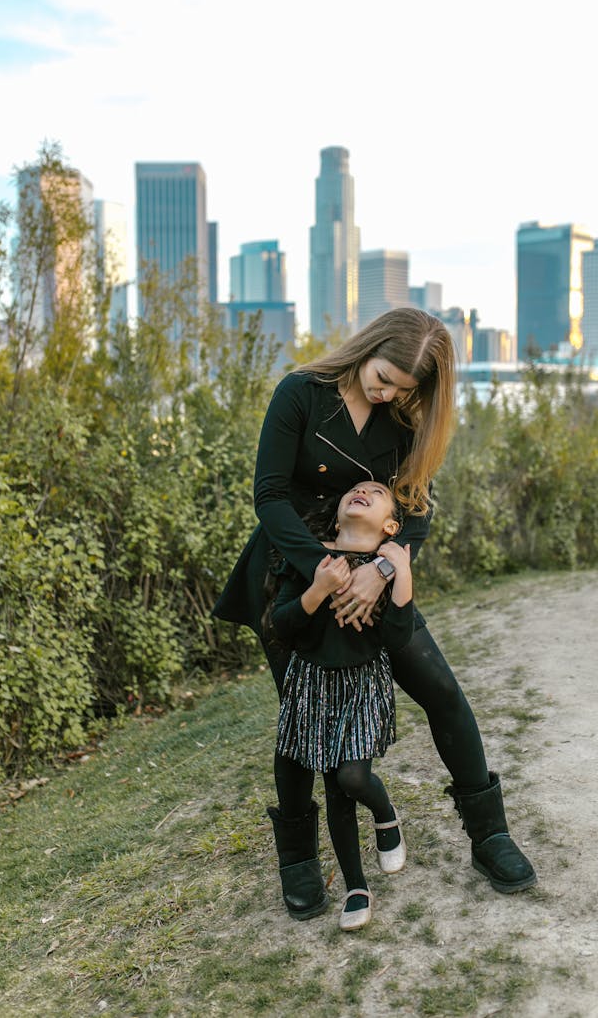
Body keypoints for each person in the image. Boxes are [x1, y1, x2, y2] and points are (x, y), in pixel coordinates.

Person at [213, 308, 535, 921]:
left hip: (372, 578)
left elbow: (415, 512)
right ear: (369, 348)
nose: (386, 393)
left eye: (401, 389)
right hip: (293, 574)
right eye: (384, 377)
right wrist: (326, 573)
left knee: (441, 689)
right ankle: (299, 860)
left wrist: (382, 570)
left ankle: (490, 835)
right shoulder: (300, 393)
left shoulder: (403, 421)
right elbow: (269, 496)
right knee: (302, 722)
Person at [267, 481, 413, 931]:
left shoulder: (384, 566)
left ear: (389, 525)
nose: (362, 491)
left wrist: (402, 571)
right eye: (355, 489)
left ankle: (386, 814)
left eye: (375, 491)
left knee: (353, 777)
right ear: (337, 516)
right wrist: (319, 588)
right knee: (334, 790)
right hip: (312, 685)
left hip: (362, 683)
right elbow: (281, 626)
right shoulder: (313, 558)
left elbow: (398, 637)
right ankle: (356, 886)